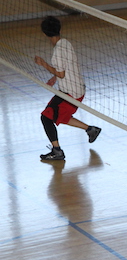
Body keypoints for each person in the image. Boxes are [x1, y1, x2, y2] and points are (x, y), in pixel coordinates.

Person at [35, 16, 101, 161]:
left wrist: (43, 64)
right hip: (76, 88)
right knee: (59, 115)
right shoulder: (65, 43)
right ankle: (91, 130)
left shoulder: (57, 52)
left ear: (45, 33)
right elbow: (65, 68)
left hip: (70, 93)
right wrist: (55, 78)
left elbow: (61, 73)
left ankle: (57, 151)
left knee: (46, 117)